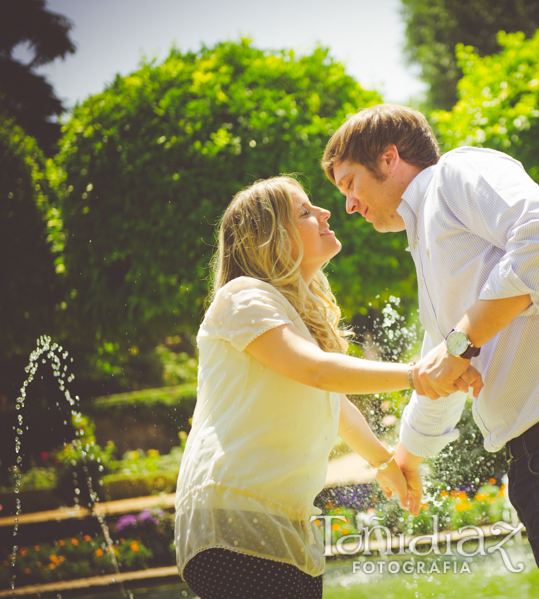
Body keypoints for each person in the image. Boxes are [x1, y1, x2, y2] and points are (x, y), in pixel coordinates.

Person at [322, 104, 539, 599]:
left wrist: (460, 344)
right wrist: (406, 457)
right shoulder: (430, 241)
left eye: (350, 183)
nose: (350, 205)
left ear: (389, 157)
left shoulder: (458, 172)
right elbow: (440, 369)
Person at [173, 175, 483, 599]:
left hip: (279, 524)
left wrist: (385, 463)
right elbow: (318, 371)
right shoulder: (243, 296)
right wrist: (420, 374)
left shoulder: (286, 312)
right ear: (269, 239)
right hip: (235, 519)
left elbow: (333, 402)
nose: (325, 213)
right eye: (305, 212)